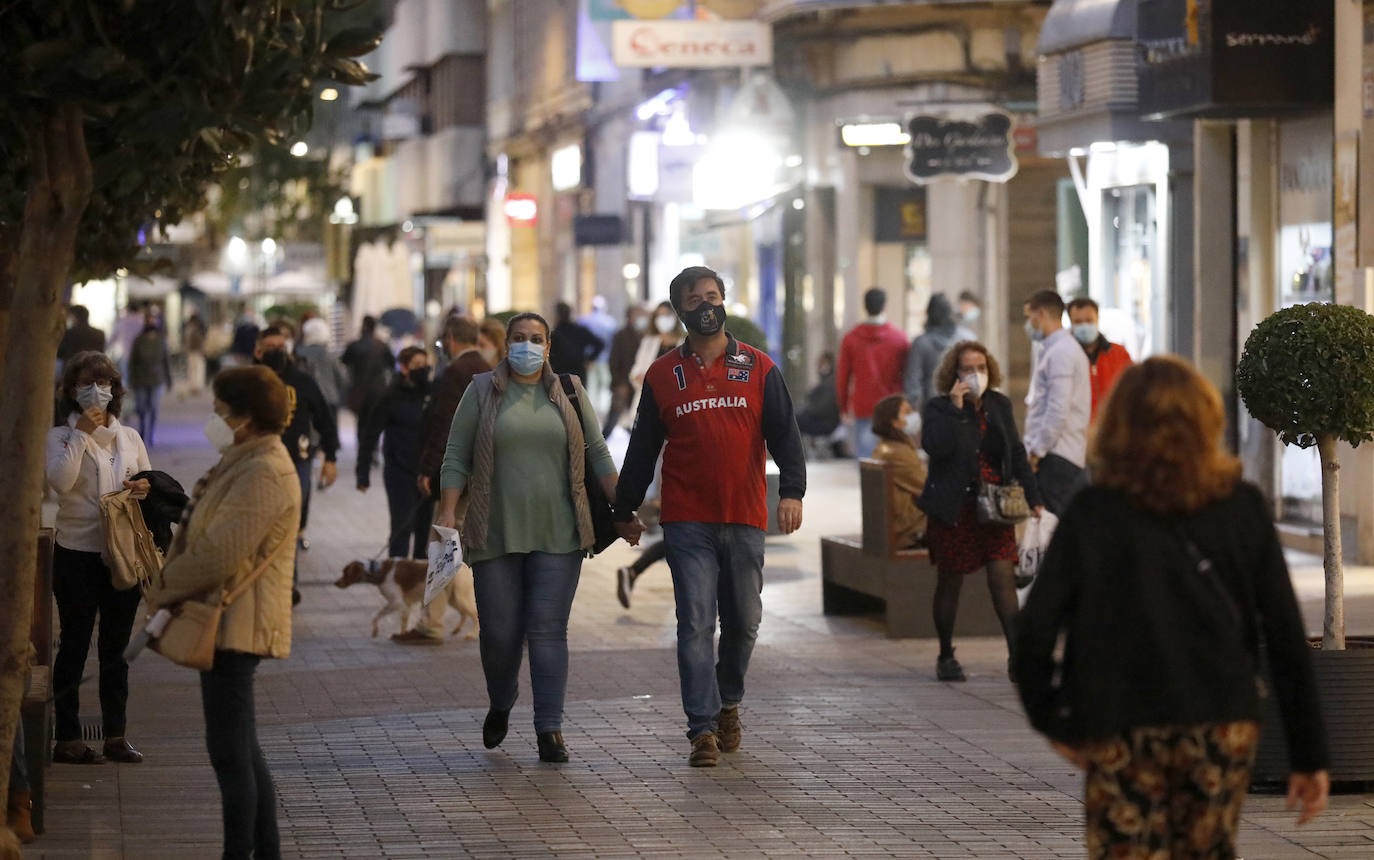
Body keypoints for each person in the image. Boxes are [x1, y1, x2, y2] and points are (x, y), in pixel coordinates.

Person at [1014, 356, 1330, 857]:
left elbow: (1033, 632)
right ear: (1205, 420)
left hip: (1119, 722)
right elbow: (1286, 636)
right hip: (1219, 720)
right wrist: (1309, 756)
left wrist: (1054, 719)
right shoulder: (1239, 506)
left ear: (1117, 423)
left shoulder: (1093, 510)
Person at [613, 265, 807, 767]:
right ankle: (701, 728)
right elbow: (641, 450)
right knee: (695, 621)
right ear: (680, 312)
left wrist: (792, 492)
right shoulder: (662, 375)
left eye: (713, 296)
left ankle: (728, 703)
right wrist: (624, 510)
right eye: (695, 300)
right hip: (687, 519)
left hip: (744, 515)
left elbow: (786, 434)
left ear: (724, 300)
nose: (706, 305)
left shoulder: (759, 367)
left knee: (743, 621)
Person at [434, 313, 620, 763]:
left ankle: (549, 729)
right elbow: (456, 454)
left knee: (548, 631)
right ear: (504, 345)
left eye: (536, 339)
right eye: (518, 338)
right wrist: (446, 513)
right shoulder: (481, 391)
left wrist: (624, 508)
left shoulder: (570, 391)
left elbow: (597, 453)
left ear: (549, 347)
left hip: (560, 532)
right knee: (499, 634)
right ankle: (502, 700)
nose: (527, 346)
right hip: (494, 530)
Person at [146, 365, 300, 860]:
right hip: (229, 618)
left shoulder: (263, 469)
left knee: (231, 752)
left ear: (246, 417)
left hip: (237, 620)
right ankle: (261, 851)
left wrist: (163, 586)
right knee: (240, 748)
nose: (214, 420)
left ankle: (242, 852)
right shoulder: (244, 458)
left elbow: (220, 553)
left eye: (220, 412)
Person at [45, 351, 153, 765]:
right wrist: (80, 436)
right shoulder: (60, 437)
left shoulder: (129, 438)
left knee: (116, 648)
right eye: (88, 382)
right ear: (73, 391)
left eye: (105, 382)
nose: (98, 390)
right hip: (77, 552)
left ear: (116, 390)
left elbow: (148, 482)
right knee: (73, 643)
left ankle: (115, 735)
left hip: (121, 556)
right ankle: (68, 738)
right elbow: (60, 482)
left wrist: (143, 490)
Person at [918, 341, 1042, 683]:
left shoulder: (998, 405)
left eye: (981, 368)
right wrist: (958, 409)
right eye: (968, 369)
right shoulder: (939, 408)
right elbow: (936, 447)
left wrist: (1034, 497)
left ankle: (1018, 654)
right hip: (955, 507)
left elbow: (1015, 452)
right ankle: (946, 654)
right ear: (954, 374)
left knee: (1002, 576)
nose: (976, 375)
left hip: (996, 506)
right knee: (950, 579)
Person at [256, 326, 340, 604]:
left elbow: (325, 420)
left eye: (281, 346)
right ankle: (266, 581)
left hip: (297, 462)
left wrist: (331, 458)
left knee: (290, 523)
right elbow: (222, 422)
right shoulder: (248, 382)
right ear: (258, 350)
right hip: (256, 466)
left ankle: (287, 584)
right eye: (271, 347)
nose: (277, 352)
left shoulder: (302, 381)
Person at [1023, 290, 1092, 516]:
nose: (1029, 324)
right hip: (1056, 454)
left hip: (1058, 456)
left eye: (1030, 317)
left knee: (1057, 526)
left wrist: (1037, 451)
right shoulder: (1054, 349)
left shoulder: (1062, 352)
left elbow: (1057, 409)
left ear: (1041, 313)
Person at [836, 288, 908, 459]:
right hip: (892, 405)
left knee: (867, 461)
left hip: (864, 405)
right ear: (885, 306)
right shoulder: (899, 338)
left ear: (865, 306)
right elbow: (907, 375)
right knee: (892, 461)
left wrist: (844, 406)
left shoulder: (851, 338)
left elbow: (843, 376)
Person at [869, 393, 927, 549]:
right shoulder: (898, 453)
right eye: (907, 412)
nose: (914, 415)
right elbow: (927, 488)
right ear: (894, 422)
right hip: (908, 529)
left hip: (898, 523)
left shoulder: (886, 447)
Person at [1065, 297, 1133, 422]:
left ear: (1097, 319)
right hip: (1077, 433)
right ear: (1070, 323)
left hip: (1113, 429)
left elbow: (1134, 391)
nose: (1084, 326)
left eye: (1089, 320)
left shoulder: (1119, 354)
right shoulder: (1064, 356)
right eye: (1078, 322)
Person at [904, 293, 976, 408]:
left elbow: (913, 381)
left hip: (932, 406)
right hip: (963, 405)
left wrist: (913, 409)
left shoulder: (921, 343)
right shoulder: (967, 338)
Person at [341, 315, 394, 432]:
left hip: (358, 388)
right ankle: (370, 446)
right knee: (374, 420)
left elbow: (344, 361)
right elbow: (392, 365)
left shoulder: (354, 345)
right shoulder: (382, 346)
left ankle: (362, 445)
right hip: (378, 389)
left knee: (361, 421)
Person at [295, 317, 349, 428]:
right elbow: (343, 378)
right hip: (329, 399)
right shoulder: (331, 356)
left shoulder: (298, 354)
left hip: (304, 400)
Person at [604, 305, 647, 435]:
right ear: (629, 317)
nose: (640, 318)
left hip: (638, 383)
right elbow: (614, 361)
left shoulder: (646, 336)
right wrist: (619, 383)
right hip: (622, 384)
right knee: (613, 418)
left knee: (636, 419)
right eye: (637, 315)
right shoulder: (621, 335)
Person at [128, 318, 172, 447]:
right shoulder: (139, 341)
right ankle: (142, 430)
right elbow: (133, 361)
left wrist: (169, 379)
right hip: (141, 378)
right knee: (141, 407)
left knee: (153, 407)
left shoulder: (161, 342)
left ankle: (150, 433)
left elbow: (165, 361)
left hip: (156, 379)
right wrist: (131, 379)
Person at [795, 351, 843, 451]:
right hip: (820, 419)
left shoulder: (831, 382)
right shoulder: (827, 381)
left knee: (793, 419)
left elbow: (823, 407)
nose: (818, 367)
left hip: (825, 423)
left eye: (820, 363)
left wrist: (806, 410)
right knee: (794, 416)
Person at [548, 300, 604, 384]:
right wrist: (589, 359)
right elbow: (599, 343)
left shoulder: (555, 334)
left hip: (561, 373)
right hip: (579, 372)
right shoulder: (580, 330)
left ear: (557, 315)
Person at [181, 312, 208, 397]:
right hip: (196, 351)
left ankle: (195, 386)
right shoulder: (197, 329)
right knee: (197, 369)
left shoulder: (190, 329)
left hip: (194, 351)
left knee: (193, 369)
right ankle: (195, 387)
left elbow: (186, 341)